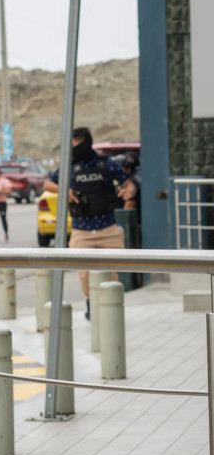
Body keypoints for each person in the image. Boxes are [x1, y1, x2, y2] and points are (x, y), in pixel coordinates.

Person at [42, 127, 137, 315]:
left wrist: (129, 192)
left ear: (84, 141)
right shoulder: (69, 166)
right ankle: (90, 303)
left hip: (108, 229)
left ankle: (112, 310)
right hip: (81, 231)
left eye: (75, 142)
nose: (72, 147)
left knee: (111, 275)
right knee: (84, 275)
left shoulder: (107, 164)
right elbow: (47, 184)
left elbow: (129, 184)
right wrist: (65, 191)